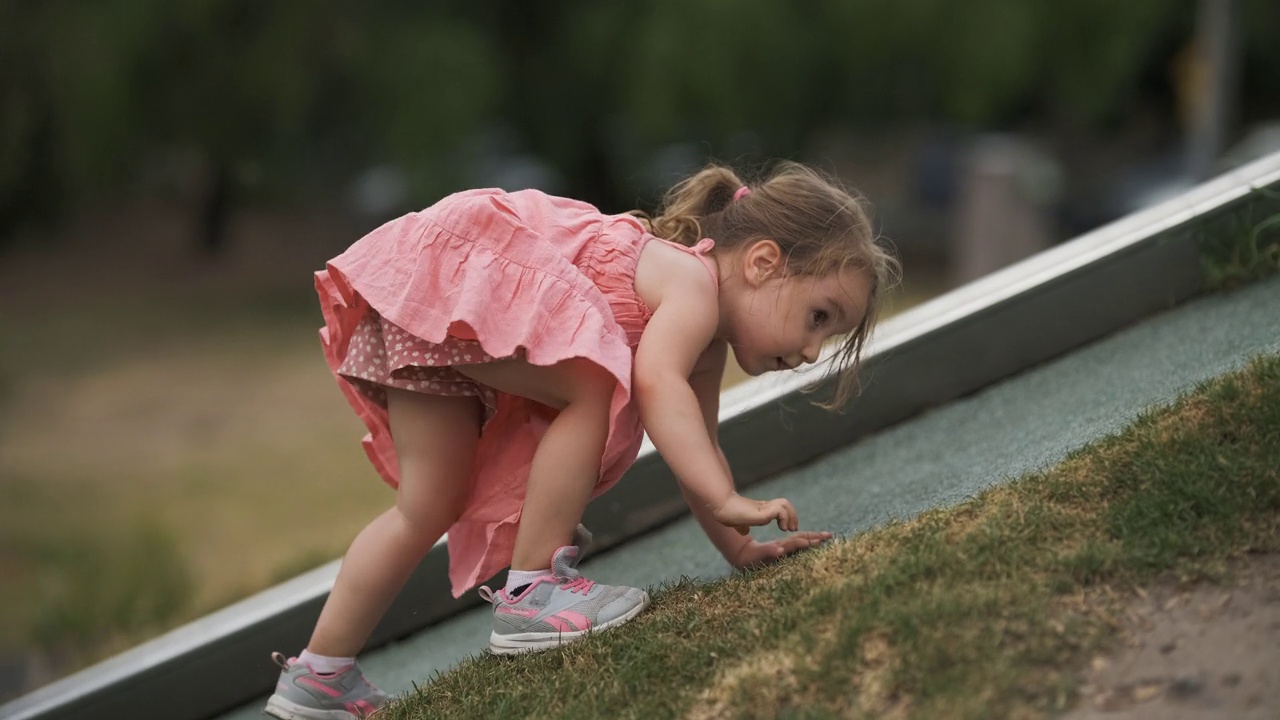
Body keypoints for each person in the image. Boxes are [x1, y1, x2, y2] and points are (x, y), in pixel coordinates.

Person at [264, 161, 899, 720]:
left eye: (830, 336)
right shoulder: (691, 284)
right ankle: (532, 589)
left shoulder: (702, 339)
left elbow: (693, 444)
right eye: (819, 316)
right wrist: (728, 498)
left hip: (422, 304)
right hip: (460, 272)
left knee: (426, 506)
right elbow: (653, 385)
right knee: (592, 387)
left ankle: (319, 676)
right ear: (763, 262)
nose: (814, 350)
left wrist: (739, 548)